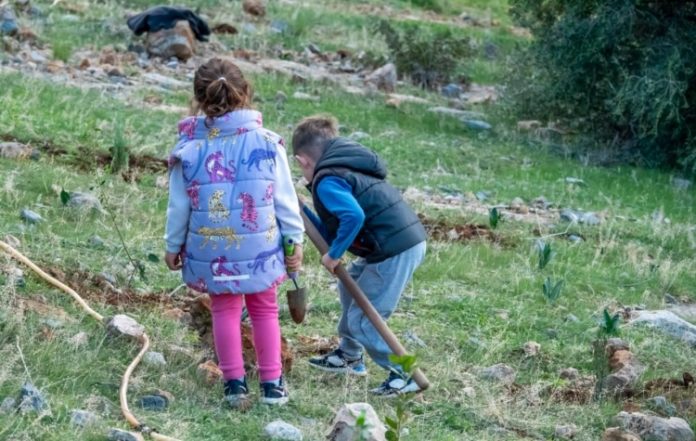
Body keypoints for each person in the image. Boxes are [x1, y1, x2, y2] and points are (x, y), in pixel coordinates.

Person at [164, 58, 304, 408]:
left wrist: (172, 245)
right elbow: (286, 201)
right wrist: (294, 241)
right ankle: (272, 386)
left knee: (224, 310)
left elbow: (179, 206)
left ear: (198, 98)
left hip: (212, 248)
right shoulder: (269, 143)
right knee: (265, 310)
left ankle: (234, 386)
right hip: (261, 247)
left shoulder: (188, 148)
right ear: (246, 92)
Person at [291, 115, 427, 397]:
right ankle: (350, 356)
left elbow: (353, 217)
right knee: (349, 284)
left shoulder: (328, 181)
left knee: (364, 319)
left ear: (302, 161)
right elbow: (331, 229)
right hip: (394, 242)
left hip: (393, 249)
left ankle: (404, 374)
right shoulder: (344, 167)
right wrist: (301, 209)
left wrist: (334, 254)